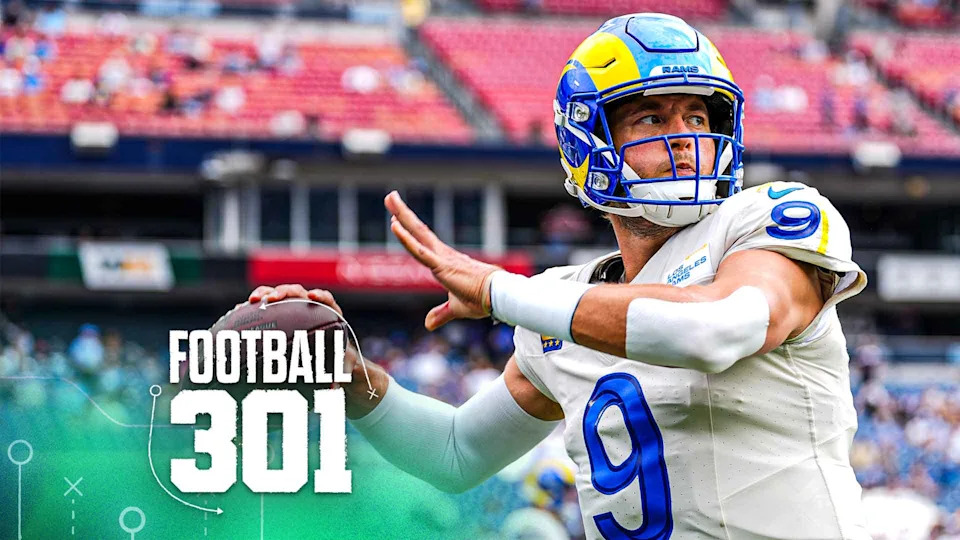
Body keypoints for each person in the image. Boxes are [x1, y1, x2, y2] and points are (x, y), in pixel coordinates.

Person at [249, 13, 870, 539]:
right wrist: (352, 381)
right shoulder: (561, 306)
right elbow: (456, 452)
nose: (685, 140)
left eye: (698, 117)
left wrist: (501, 292)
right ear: (588, 141)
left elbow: (712, 331)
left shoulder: (770, 221)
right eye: (652, 119)